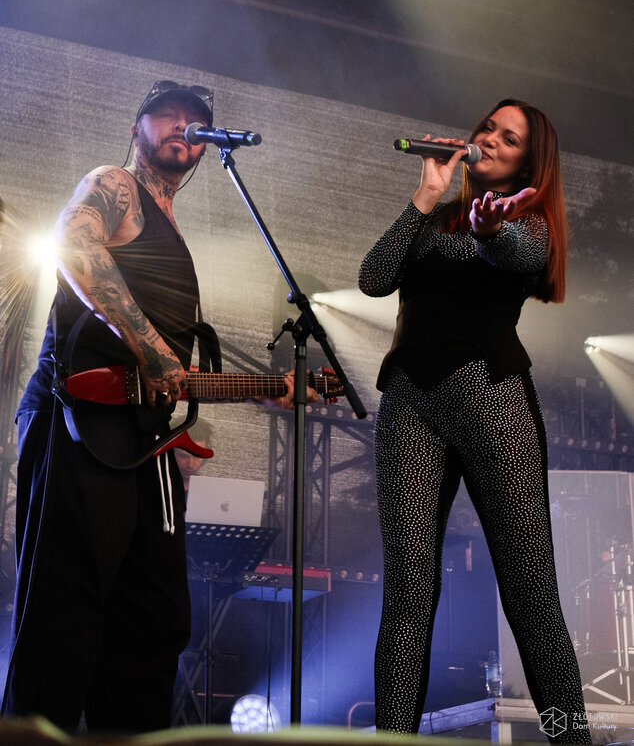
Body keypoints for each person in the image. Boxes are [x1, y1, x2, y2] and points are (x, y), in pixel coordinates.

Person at [1, 80, 308, 734]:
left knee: (155, 619)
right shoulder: (113, 184)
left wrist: (261, 389)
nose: (182, 126)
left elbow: (168, 375)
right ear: (136, 127)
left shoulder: (171, 230)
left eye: (194, 120)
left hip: (143, 440)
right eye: (166, 114)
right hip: (80, 416)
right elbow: (75, 247)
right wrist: (151, 350)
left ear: (206, 147)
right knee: (64, 610)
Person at [359, 99, 591, 742]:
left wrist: (492, 229)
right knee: (407, 595)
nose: (489, 139)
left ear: (528, 165)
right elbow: (373, 279)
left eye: (508, 138)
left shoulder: (528, 223)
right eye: (488, 127)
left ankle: (572, 739)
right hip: (410, 403)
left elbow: (516, 255)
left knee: (530, 597)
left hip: (493, 403)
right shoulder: (437, 215)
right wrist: (426, 193)